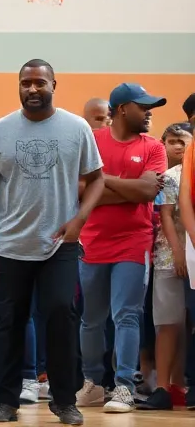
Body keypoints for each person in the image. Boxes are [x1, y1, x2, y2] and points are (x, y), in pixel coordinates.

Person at [0, 58, 104, 426]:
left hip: (60, 243)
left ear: (53, 85)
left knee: (61, 314)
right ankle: (6, 403)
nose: (33, 89)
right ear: (19, 86)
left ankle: (65, 401)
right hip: (12, 244)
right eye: (26, 83)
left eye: (39, 83)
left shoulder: (76, 129)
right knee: (10, 321)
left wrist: (80, 219)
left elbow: (97, 179)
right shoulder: (0, 130)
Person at [76, 82, 167, 413]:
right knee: (92, 319)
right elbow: (78, 189)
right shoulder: (91, 141)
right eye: (144, 106)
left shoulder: (154, 147)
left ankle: (124, 387)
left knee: (127, 314)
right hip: (93, 242)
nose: (149, 112)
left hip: (134, 241)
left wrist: (102, 181)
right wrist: (123, 187)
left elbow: (146, 192)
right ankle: (93, 384)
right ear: (123, 108)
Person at [138, 122, 192, 410]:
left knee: (187, 325)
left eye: (184, 140)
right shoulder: (167, 178)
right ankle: (162, 388)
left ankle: (180, 383)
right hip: (170, 256)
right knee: (168, 323)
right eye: (172, 141)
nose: (179, 146)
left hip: (193, 254)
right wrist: (178, 250)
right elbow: (167, 216)